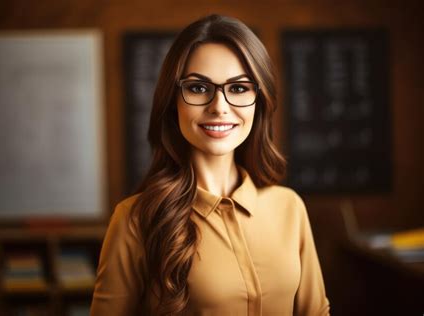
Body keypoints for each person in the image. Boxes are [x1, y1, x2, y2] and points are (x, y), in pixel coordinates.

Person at [91, 14, 330, 316]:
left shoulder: (289, 208)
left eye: (239, 88)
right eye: (198, 88)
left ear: (260, 100)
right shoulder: (134, 220)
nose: (219, 107)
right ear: (172, 100)